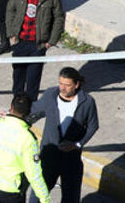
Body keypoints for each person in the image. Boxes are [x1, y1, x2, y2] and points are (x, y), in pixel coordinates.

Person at [27, 67, 99, 203]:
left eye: (67, 85)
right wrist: (11, 113)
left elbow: (93, 126)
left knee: (71, 198)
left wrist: (77, 144)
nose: (63, 88)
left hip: (71, 160)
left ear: (76, 84)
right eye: (61, 83)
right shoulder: (50, 95)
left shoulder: (87, 102)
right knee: (38, 195)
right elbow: (33, 110)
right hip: (48, 157)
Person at [0, 93, 51, 203]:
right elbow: (33, 173)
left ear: (11, 107)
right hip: (12, 191)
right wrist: (44, 198)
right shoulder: (28, 139)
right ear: (28, 112)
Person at [7, 0, 65, 101]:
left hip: (38, 44)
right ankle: (17, 103)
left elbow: (59, 17)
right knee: (18, 74)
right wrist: (11, 34)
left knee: (33, 77)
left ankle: (32, 104)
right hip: (20, 41)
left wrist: (51, 41)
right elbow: (10, 11)